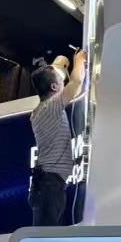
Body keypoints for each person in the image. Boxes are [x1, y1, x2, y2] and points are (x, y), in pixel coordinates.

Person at [28, 50, 87, 227]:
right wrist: (79, 59)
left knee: (46, 232)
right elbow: (76, 82)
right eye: (61, 80)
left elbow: (73, 86)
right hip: (49, 184)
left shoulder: (41, 111)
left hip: (48, 184)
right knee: (45, 235)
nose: (64, 81)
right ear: (54, 87)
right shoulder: (51, 107)